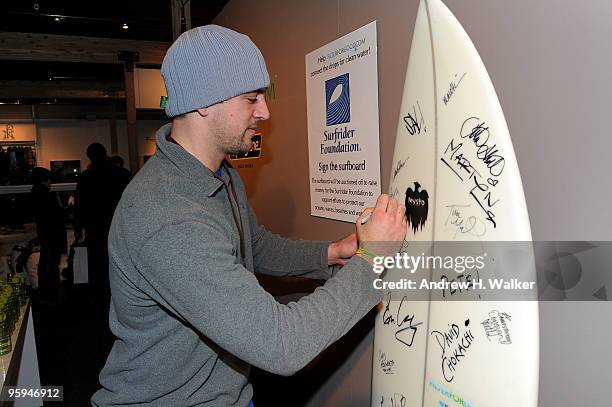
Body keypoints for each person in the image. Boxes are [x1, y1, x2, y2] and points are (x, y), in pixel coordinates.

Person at [91, 25, 406, 406]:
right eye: (251, 98)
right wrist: (372, 260)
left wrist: (328, 253)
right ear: (204, 102)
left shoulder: (220, 173)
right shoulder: (166, 216)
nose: (265, 111)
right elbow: (283, 345)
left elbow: (252, 243)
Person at [75, 143, 130, 314]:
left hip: (95, 229)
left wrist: (79, 228)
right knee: (119, 266)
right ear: (105, 154)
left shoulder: (85, 178)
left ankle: (99, 302)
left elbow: (80, 206)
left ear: (89, 157)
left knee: (97, 267)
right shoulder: (121, 174)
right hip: (119, 228)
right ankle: (121, 300)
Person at [30, 167, 67, 303]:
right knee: (52, 264)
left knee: (45, 262)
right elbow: (57, 217)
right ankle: (53, 292)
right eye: (48, 179)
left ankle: (46, 291)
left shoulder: (35, 195)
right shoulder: (48, 196)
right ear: (43, 180)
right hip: (53, 235)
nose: (50, 182)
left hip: (45, 234)